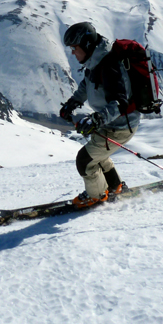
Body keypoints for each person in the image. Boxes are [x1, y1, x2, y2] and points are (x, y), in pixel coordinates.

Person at [59, 22, 140, 207]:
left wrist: (98, 119)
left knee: (85, 161)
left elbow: (120, 103)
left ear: (86, 45)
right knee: (97, 155)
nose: (72, 52)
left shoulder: (109, 66)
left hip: (119, 126)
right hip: (113, 124)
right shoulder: (96, 61)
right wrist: (72, 103)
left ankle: (96, 196)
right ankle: (115, 187)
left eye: (74, 48)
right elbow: (87, 85)